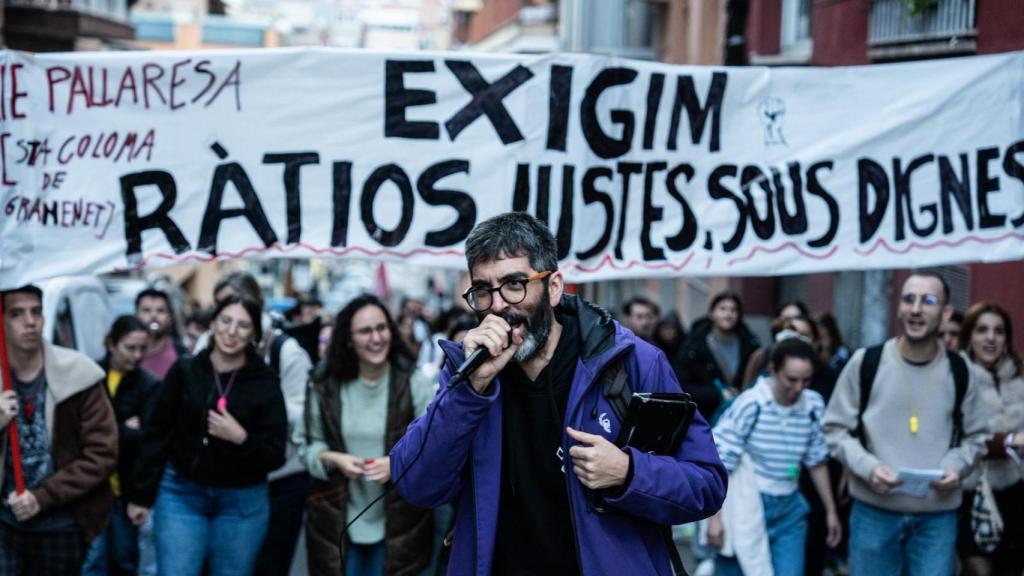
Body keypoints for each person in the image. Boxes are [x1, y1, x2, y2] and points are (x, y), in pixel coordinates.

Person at [390, 212, 727, 575]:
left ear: (552, 288)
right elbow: (416, 484)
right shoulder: (470, 375)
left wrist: (629, 472)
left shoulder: (631, 362)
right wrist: (468, 392)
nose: (499, 304)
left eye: (515, 284)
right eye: (484, 290)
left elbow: (705, 484)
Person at [823, 271, 990, 576]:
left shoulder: (961, 370)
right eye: (908, 299)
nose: (916, 309)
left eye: (928, 301)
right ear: (898, 308)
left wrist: (956, 465)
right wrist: (867, 467)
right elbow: (834, 430)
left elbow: (977, 437)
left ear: (946, 312)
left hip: (936, 520)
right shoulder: (867, 362)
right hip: (874, 514)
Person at [128, 295, 287, 576]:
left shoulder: (265, 383)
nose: (231, 331)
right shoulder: (186, 370)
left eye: (242, 325)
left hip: (242, 502)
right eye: (225, 320)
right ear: (213, 323)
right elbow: (156, 433)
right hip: (181, 493)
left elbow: (275, 454)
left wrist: (241, 438)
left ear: (253, 334)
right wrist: (140, 495)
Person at [295, 294, 434, 576]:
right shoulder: (323, 384)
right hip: (337, 524)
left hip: (400, 524)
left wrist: (397, 464)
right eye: (365, 331)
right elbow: (306, 445)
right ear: (348, 338)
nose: (376, 338)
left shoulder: (413, 382)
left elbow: (434, 445)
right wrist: (333, 458)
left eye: (381, 328)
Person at [202, 271, 314, 576]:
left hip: (282, 477)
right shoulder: (207, 346)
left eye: (240, 305)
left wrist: (253, 416)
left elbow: (303, 409)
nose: (232, 318)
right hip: (227, 476)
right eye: (223, 307)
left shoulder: (285, 351)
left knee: (269, 564)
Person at [0, 285, 118, 575]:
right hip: (3, 524)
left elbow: (103, 453)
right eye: (17, 314)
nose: (30, 321)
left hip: (61, 524)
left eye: (36, 312)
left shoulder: (78, 373)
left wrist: (43, 497)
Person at [708, 338, 842, 576]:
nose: (799, 388)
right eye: (791, 379)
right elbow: (720, 461)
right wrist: (714, 518)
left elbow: (817, 462)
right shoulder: (751, 404)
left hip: (790, 508)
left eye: (806, 380)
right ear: (773, 370)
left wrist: (831, 511)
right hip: (747, 504)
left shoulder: (813, 405)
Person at [82, 316, 159, 576]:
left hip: (126, 489)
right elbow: (84, 433)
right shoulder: (90, 376)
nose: (137, 356)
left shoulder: (148, 385)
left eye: (142, 349)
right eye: (130, 348)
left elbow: (149, 443)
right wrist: (124, 429)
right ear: (111, 344)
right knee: (92, 561)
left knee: (125, 560)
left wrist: (141, 497)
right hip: (92, 488)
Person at [956, 302, 1024, 576]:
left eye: (998, 331)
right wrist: (1009, 441)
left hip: (1016, 492)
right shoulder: (957, 375)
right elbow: (958, 434)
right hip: (971, 492)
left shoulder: (1018, 378)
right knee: (978, 570)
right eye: (982, 330)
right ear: (969, 336)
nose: (991, 338)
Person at [678, 290, 762, 422]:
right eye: (723, 309)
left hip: (742, 414)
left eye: (733, 310)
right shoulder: (694, 345)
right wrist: (716, 394)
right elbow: (682, 385)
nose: (728, 314)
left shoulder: (750, 343)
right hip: (704, 416)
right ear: (712, 313)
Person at [135, 288, 188, 380]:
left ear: (169, 317)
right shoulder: (125, 353)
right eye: (146, 310)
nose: (153, 316)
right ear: (136, 315)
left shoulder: (182, 354)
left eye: (160, 311)